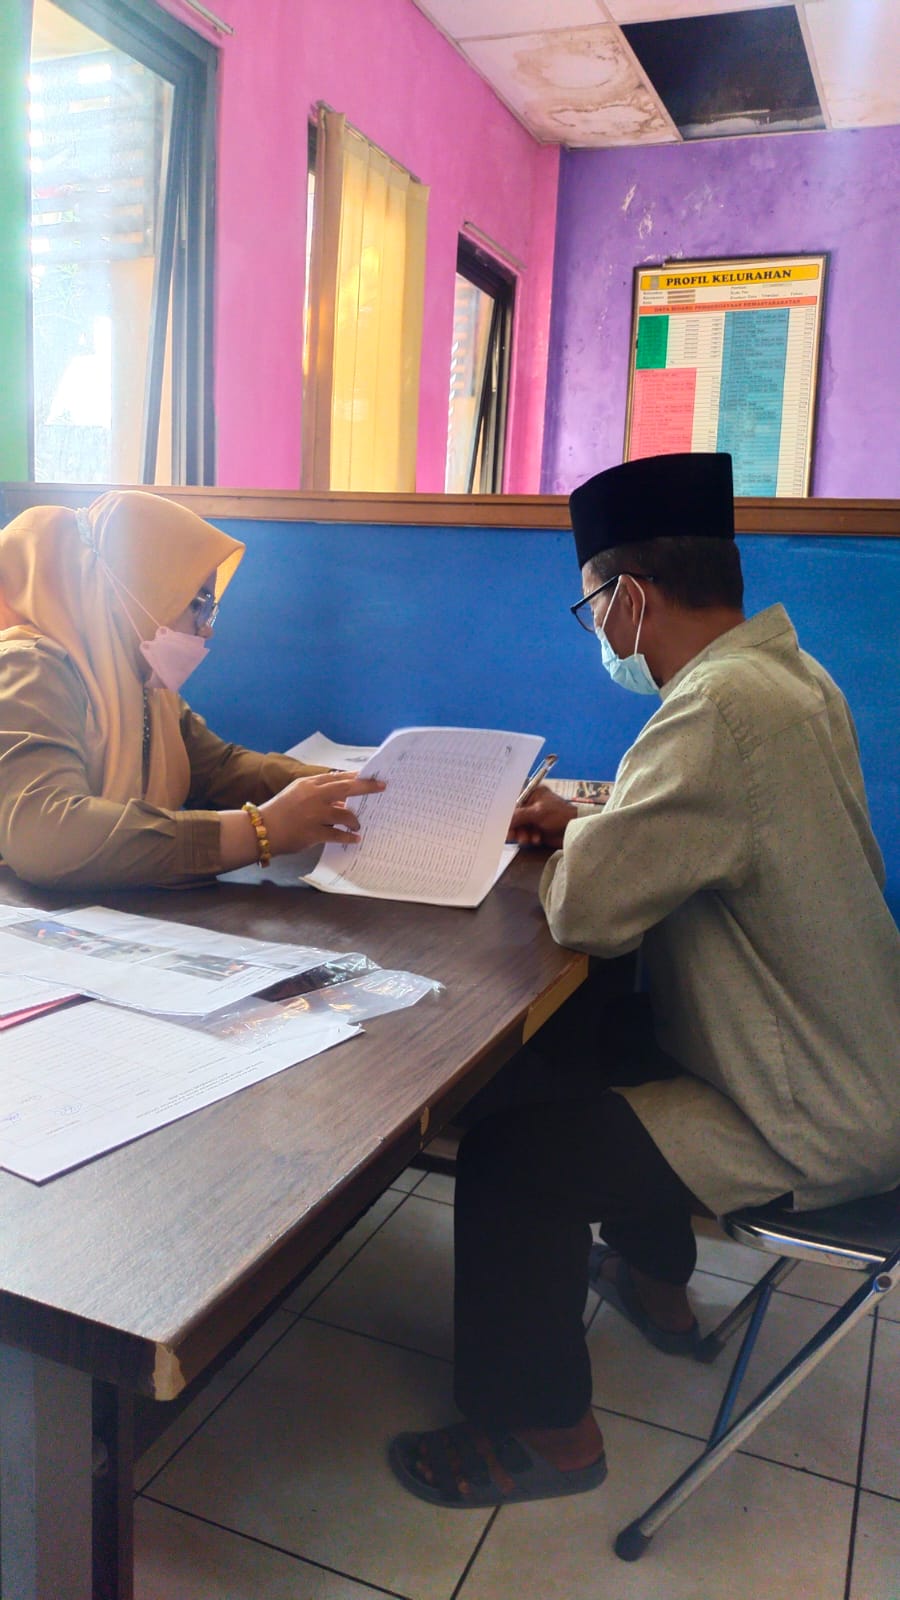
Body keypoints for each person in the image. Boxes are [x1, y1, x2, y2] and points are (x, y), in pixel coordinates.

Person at [388, 451, 900, 1509]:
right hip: (853, 1060)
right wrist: (594, 821)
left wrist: (577, 841)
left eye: (594, 607)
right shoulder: (789, 678)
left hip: (809, 1111)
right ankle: (655, 1285)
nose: (600, 631)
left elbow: (586, 909)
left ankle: (547, 1435)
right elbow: (707, 828)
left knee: (514, 1158)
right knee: (597, 1031)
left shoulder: (714, 711)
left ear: (631, 596)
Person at [0, 490, 383, 889]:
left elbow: (217, 769)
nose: (206, 627)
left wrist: (347, 785)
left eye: (210, 607)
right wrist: (260, 830)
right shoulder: (28, 668)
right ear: (136, 592)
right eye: (197, 603)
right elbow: (45, 833)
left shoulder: (137, 680)